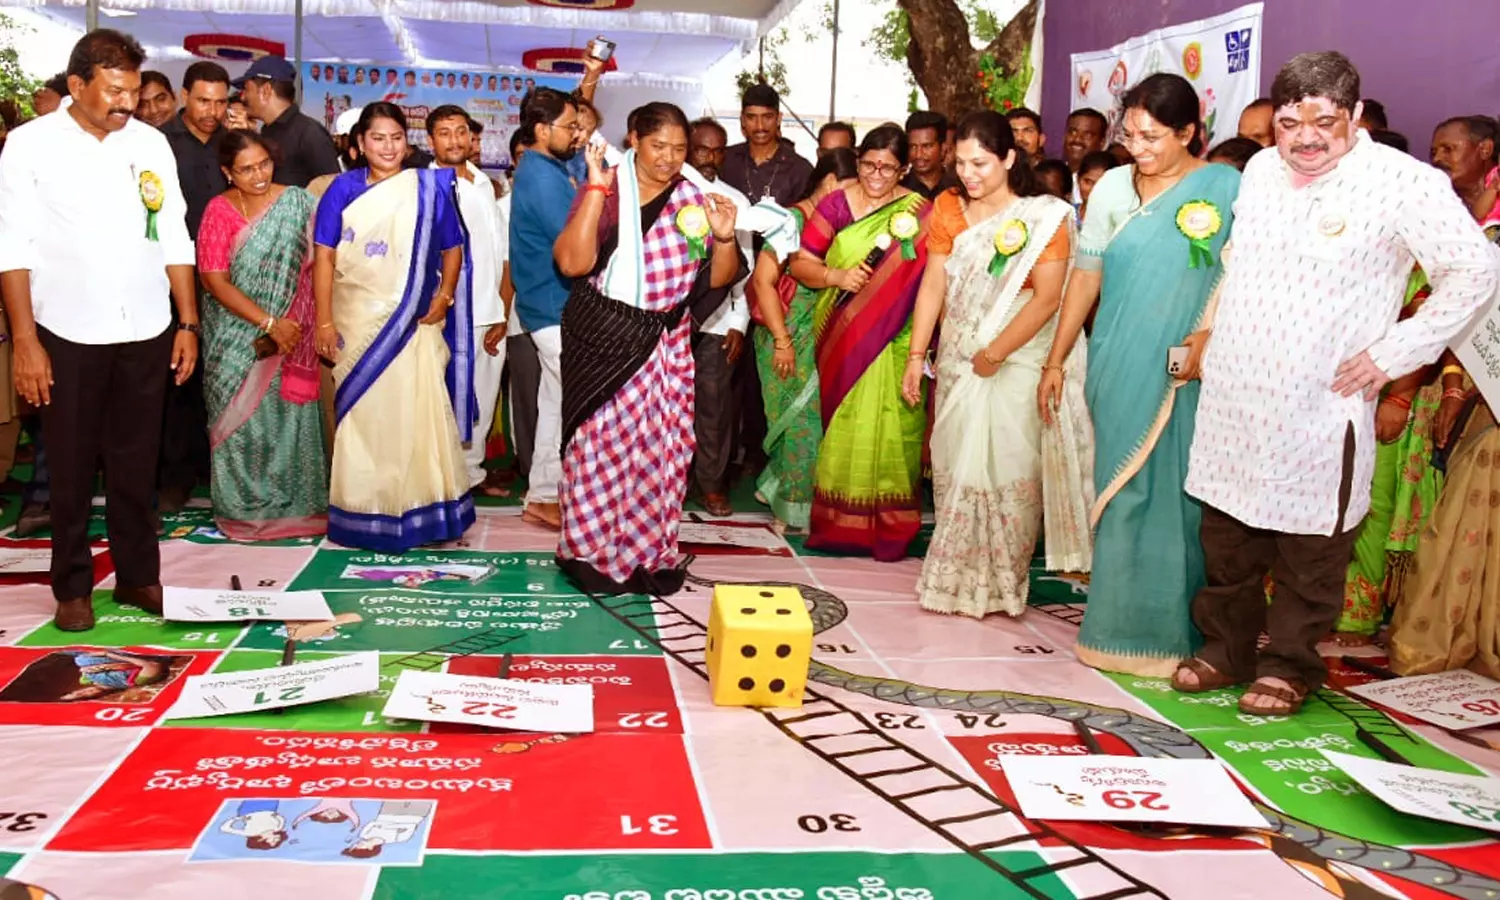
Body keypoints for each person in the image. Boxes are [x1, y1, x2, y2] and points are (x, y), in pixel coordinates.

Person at [1174, 52, 1498, 715]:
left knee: (1312, 542)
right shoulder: (1261, 171)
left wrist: (1395, 352)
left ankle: (1289, 665)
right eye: (1290, 123)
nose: (1306, 139)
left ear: (1354, 116)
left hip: (1322, 404)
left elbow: (1475, 270)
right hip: (1237, 395)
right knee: (1227, 537)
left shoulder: (1404, 182)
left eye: (1324, 121)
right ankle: (1226, 650)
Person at [1040, 73, 1241, 676]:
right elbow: (1086, 277)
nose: (1138, 148)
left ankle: (1174, 636)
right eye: (1130, 135)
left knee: (1179, 499)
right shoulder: (1110, 189)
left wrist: (1210, 334)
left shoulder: (1226, 188)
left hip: (1191, 372)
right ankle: (1113, 633)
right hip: (1119, 361)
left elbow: (1243, 277)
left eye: (1153, 137)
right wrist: (1056, 358)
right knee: (1122, 492)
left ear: (1189, 133)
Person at [0, 29, 199, 631]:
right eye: (114, 90)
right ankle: (72, 587)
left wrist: (187, 322)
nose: (127, 103)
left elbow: (173, 234)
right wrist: (26, 341)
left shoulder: (150, 143)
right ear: (77, 84)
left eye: (133, 91)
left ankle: (138, 576)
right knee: (69, 465)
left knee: (137, 463)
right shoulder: (31, 144)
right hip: (65, 331)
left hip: (146, 326)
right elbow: (12, 248)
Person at [904, 110, 1088, 617]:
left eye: (980, 163)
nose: (968, 174)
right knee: (956, 460)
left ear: (1008, 158)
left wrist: (996, 353)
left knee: (1009, 465)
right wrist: (917, 356)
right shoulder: (948, 206)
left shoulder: (1044, 216)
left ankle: (1003, 585)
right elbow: (934, 284)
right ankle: (954, 580)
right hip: (960, 357)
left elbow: (1048, 297)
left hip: (1017, 358)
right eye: (961, 162)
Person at [551, 102, 741, 595]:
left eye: (679, 149)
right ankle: (589, 553)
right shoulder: (608, 188)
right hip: (602, 340)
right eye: (659, 146)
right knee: (597, 449)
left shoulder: (694, 200)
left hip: (663, 349)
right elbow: (572, 264)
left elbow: (719, 279)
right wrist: (596, 189)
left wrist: (724, 238)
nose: (669, 158)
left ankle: (646, 553)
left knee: (660, 452)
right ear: (634, 138)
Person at [312, 103, 475, 551]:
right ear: (359, 144)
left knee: (415, 415)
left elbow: (453, 247)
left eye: (397, 138)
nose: (388, 147)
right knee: (365, 419)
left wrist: (444, 296)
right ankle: (366, 514)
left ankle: (424, 515)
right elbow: (324, 255)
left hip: (413, 323)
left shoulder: (428, 189)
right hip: (356, 324)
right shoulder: (342, 189)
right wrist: (323, 321)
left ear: (408, 142)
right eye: (378, 138)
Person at [788, 124, 933, 560]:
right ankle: (840, 527)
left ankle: (890, 529)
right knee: (845, 424)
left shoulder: (920, 213)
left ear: (903, 170)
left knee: (895, 430)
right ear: (858, 161)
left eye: (888, 168)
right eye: (869, 165)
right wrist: (837, 276)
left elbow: (932, 281)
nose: (876, 175)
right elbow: (801, 264)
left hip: (898, 337)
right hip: (843, 334)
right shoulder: (835, 204)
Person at [1387, 157, 1500, 678]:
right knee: (1468, 518)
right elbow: (1463, 317)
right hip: (1487, 403)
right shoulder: (1488, 245)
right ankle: (1459, 634)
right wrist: (1454, 385)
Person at [196, 130, 326, 540]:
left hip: (293, 330)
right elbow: (214, 279)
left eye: (264, 164)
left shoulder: (298, 202)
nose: (258, 175)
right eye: (246, 169)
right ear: (227, 172)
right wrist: (268, 322)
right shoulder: (219, 211)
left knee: (288, 420)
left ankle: (296, 509)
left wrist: (293, 322)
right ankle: (242, 511)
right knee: (239, 422)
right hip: (234, 334)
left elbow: (321, 262)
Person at [750, 148, 858, 533]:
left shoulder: (837, 224)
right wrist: (783, 340)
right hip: (783, 334)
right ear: (828, 182)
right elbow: (763, 281)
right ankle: (792, 511)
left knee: (802, 418)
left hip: (815, 334)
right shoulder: (792, 220)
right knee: (801, 423)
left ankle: (774, 488)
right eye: (849, 190)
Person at [158, 60, 232, 512]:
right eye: (204, 101)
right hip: (172, 278)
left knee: (220, 376)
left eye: (221, 102)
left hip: (226, 280)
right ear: (184, 96)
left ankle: (214, 467)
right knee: (177, 380)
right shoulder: (159, 143)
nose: (212, 111)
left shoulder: (234, 143)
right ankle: (174, 477)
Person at [510, 88, 584, 531]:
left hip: (553, 306)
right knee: (572, 406)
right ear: (542, 130)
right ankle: (555, 494)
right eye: (569, 127)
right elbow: (575, 241)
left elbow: (580, 167)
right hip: (554, 305)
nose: (576, 134)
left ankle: (543, 496)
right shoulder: (540, 176)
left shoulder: (551, 166)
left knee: (556, 403)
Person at [428, 105, 509, 496]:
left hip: (490, 310)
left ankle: (472, 474)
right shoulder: (426, 186)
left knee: (485, 397)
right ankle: (444, 479)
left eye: (461, 131)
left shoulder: (484, 183)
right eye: (445, 133)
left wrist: (502, 311)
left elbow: (501, 252)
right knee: (446, 397)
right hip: (449, 315)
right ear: (431, 141)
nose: (455, 140)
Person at [686, 117, 750, 517]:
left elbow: (747, 267)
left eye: (717, 150)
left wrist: (738, 323)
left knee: (713, 408)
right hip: (668, 322)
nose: (709, 158)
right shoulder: (671, 193)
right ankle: (668, 483)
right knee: (668, 408)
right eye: (701, 149)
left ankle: (711, 485)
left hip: (716, 324)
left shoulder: (735, 201)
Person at [235, 56, 338, 188]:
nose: (242, 97)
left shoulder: (309, 133)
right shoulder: (267, 131)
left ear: (265, 91)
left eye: (246, 89)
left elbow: (334, 189)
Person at [722, 83, 813, 207]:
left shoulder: (799, 170)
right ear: (742, 120)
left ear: (778, 119)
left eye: (767, 117)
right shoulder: (726, 160)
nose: (760, 126)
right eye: (751, 117)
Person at [901, 111, 959, 199]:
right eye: (913, 146)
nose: (918, 154)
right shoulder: (898, 191)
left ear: (943, 148)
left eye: (926, 146)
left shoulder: (959, 190)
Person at [1062, 109, 1108, 203]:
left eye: (1088, 135)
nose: (1077, 139)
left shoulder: (1107, 181)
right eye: (1073, 132)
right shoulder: (1051, 176)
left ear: (1102, 142)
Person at [1075, 150, 1118, 219]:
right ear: (1078, 179)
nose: (1093, 189)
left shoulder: (1119, 220)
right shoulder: (1064, 214)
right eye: (1088, 182)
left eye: (1102, 184)